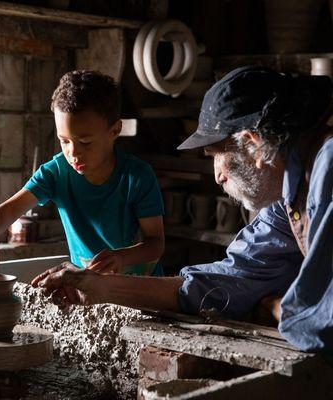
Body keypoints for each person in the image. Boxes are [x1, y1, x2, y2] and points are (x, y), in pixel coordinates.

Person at [33, 65, 333, 354]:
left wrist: (278, 307)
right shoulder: (288, 196)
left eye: (217, 155)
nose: (218, 176)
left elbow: (320, 320)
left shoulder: (326, 169)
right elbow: (233, 277)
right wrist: (100, 287)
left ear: (251, 142)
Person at [0, 70, 165, 276]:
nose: (73, 153)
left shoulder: (137, 177)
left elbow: (156, 244)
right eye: (64, 141)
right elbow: (11, 209)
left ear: (115, 131)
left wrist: (121, 257)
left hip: (141, 288)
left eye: (85, 142)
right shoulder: (56, 173)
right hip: (90, 288)